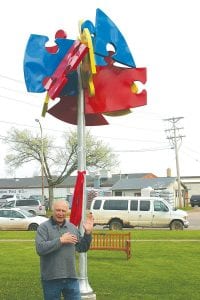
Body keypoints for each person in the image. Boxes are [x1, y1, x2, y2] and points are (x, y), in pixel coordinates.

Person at [35, 199, 94, 300]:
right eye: (58, 210)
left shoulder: (72, 228)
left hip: (71, 277)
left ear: (67, 211)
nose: (60, 213)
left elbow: (82, 248)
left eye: (63, 211)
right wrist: (60, 240)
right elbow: (40, 249)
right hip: (51, 278)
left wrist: (88, 233)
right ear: (52, 210)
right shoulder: (43, 228)